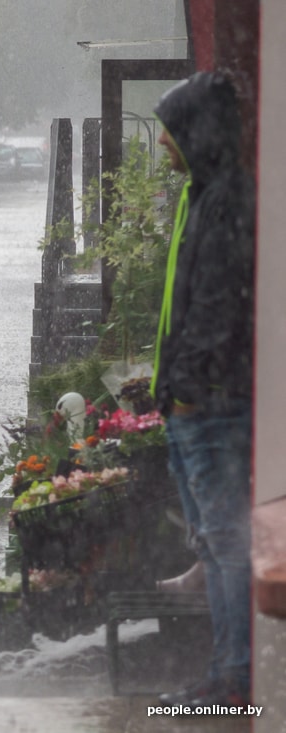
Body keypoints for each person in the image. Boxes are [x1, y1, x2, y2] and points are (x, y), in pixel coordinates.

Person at [150, 71, 255, 708]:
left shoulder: (222, 202)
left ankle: (235, 678)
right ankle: (228, 670)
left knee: (225, 543)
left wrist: (185, 384)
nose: (164, 143)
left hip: (208, 405)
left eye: (172, 131)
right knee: (216, 544)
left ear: (198, 134)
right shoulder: (202, 193)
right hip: (193, 400)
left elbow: (216, 306)